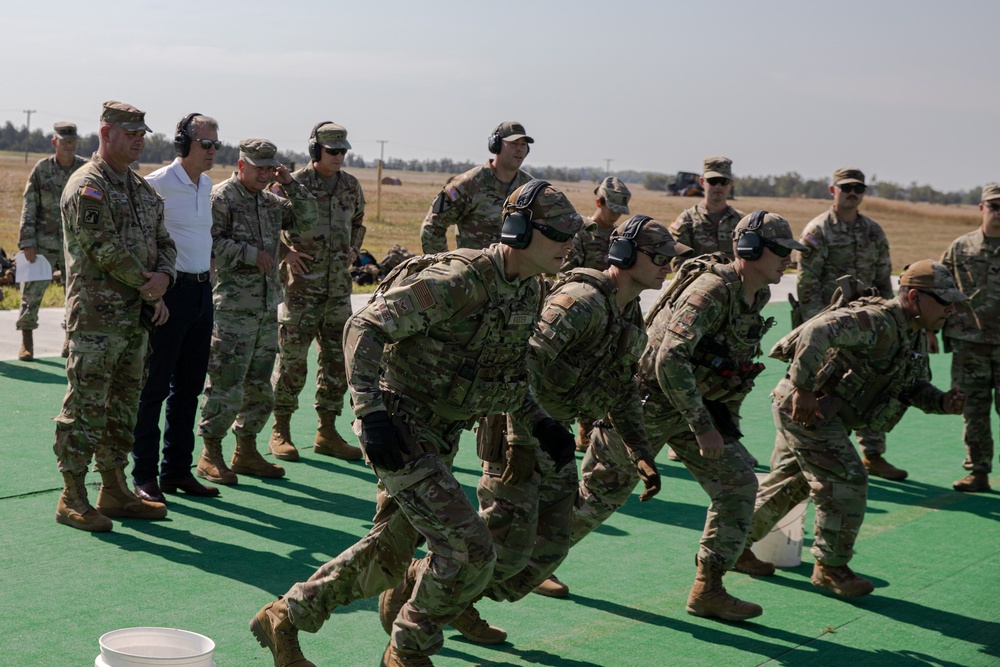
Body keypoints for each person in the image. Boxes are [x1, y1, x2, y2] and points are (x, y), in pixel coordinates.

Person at [249, 180, 582, 667]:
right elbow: (364, 325)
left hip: (440, 433)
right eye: (559, 233)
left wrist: (540, 422)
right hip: (399, 426)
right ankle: (408, 650)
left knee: (390, 550)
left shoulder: (527, 290)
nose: (569, 245)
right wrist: (369, 412)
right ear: (518, 231)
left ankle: (285, 616)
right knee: (468, 547)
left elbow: (507, 374)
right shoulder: (460, 279)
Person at [392, 216, 688, 643]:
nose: (667, 266)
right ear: (624, 256)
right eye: (658, 257)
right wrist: (519, 442)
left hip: (554, 438)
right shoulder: (581, 301)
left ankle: (456, 600)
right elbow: (520, 363)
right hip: (519, 432)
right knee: (503, 550)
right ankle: (419, 591)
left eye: (669, 259)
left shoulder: (628, 311)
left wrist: (639, 449)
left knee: (546, 552)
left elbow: (621, 385)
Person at [548, 212, 804, 620]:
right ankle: (528, 563)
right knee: (596, 500)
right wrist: (704, 428)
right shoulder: (712, 290)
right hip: (647, 404)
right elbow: (669, 358)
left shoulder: (752, 295)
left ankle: (709, 587)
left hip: (690, 406)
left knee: (737, 485)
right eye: (779, 251)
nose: (787, 260)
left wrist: (714, 422)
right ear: (751, 250)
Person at [747, 260, 967, 598]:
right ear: (914, 296)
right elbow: (815, 332)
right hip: (806, 408)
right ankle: (831, 568)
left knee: (791, 485)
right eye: (944, 301)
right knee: (846, 478)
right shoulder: (877, 321)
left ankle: (727, 547)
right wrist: (803, 388)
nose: (950, 309)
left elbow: (912, 387)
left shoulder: (913, 333)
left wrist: (942, 403)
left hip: (824, 413)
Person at [52, 101, 176, 532]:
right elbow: (100, 246)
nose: (139, 140)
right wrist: (151, 285)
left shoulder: (141, 189)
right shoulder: (87, 185)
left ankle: (114, 488)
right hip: (95, 321)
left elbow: (164, 239)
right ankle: (72, 496)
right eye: (130, 133)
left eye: (143, 133)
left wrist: (164, 276)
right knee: (85, 407)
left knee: (124, 407)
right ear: (106, 134)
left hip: (134, 320)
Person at [196, 139, 316, 485]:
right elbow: (208, 241)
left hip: (266, 306)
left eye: (269, 168)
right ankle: (210, 453)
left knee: (260, 384)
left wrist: (291, 183)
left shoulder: (271, 201)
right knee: (226, 382)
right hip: (233, 306)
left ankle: (246, 449)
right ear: (241, 164)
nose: (264, 174)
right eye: (258, 167)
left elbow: (308, 219)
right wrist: (248, 254)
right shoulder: (222, 198)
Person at [130, 114, 221, 504]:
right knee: (153, 390)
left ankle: (177, 471)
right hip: (172, 295)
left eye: (216, 144)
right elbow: (143, 243)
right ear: (184, 144)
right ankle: (145, 476)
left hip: (202, 294)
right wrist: (156, 296)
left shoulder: (207, 184)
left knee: (189, 389)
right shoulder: (157, 184)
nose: (213, 150)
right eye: (206, 143)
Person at [796, 167, 904, 480]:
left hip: (870, 325)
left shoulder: (873, 231)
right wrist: (814, 326)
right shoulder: (819, 230)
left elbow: (884, 278)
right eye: (846, 188)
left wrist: (892, 320)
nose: (852, 193)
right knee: (824, 388)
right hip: (829, 325)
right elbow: (807, 282)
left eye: (858, 188)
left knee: (875, 385)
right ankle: (817, 454)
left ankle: (873, 454)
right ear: (833, 190)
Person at [269, 122, 365, 463]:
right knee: (293, 362)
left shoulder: (351, 186)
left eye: (343, 151)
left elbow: (358, 222)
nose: (339, 157)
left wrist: (354, 247)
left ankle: (327, 430)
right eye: (332, 151)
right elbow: (266, 224)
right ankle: (280, 429)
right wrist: (286, 254)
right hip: (301, 291)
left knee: (337, 363)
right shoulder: (292, 185)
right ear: (315, 151)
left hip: (338, 291)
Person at [559, 177, 633, 456]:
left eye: (619, 210)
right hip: (583, 314)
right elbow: (565, 274)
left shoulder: (621, 236)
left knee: (603, 375)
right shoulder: (582, 233)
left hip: (615, 315)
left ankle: (591, 434)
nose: (614, 214)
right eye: (611, 207)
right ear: (598, 202)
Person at [939, 184, 1000, 493]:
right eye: (995, 206)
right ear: (981, 208)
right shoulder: (961, 247)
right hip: (969, 345)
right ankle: (978, 471)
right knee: (973, 411)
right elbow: (938, 289)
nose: (999, 212)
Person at [16, 122, 88, 361]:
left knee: (76, 293)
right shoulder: (41, 169)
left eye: (73, 141)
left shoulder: (85, 169)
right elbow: (29, 206)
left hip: (75, 246)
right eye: (65, 141)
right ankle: (27, 339)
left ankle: (70, 337)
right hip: (42, 243)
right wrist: (27, 240)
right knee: (31, 292)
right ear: (54, 142)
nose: (69, 145)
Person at [419, 121, 534, 254]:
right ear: (495, 145)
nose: (520, 149)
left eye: (523, 144)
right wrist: (444, 266)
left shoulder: (529, 188)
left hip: (517, 274)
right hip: (474, 271)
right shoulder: (468, 184)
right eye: (514, 143)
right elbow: (432, 226)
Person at [668, 155, 745, 272]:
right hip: (697, 287)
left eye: (724, 181)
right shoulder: (686, 221)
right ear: (702, 182)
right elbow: (678, 264)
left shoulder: (743, 222)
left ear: (731, 184)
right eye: (713, 181)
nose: (718, 186)